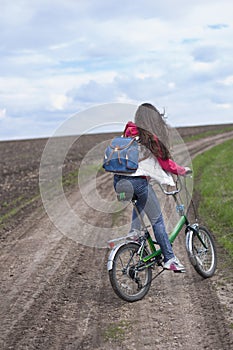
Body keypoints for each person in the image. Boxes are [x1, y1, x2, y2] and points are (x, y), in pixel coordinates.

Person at [113, 103, 191, 272]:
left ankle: (134, 232)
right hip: (137, 183)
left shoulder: (128, 134)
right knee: (157, 221)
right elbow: (166, 163)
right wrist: (182, 171)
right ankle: (169, 259)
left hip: (119, 184)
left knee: (140, 199)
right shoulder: (149, 137)